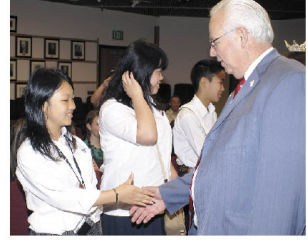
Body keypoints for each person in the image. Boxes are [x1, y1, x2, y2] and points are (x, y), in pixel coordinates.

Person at [130, 0, 305, 235]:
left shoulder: (287, 82)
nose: (212, 51)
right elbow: (223, 166)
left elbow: (279, 196)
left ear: (242, 36)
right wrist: (168, 194)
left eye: (215, 42)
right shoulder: (249, 86)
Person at [15, 68, 154, 235]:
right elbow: (66, 198)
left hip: (93, 228)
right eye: (65, 100)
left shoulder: (76, 143)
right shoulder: (30, 152)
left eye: (73, 99)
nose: (73, 105)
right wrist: (117, 195)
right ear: (43, 105)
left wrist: (118, 193)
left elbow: (88, 190)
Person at [99, 39, 177, 235]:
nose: (162, 77)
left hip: (153, 205)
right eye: (158, 71)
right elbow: (148, 136)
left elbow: (162, 154)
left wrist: (174, 192)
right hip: (124, 212)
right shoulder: (113, 109)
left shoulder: (151, 105)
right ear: (142, 73)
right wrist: (136, 95)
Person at [173, 59, 225, 171]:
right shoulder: (188, 115)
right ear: (204, 82)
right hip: (190, 175)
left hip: (206, 172)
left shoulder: (211, 112)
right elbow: (206, 154)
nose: (223, 88)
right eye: (220, 83)